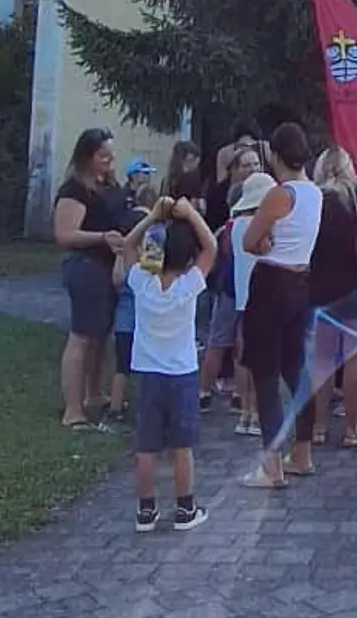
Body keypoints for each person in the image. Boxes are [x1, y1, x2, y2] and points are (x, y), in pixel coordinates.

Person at [115, 195, 214, 532]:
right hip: (181, 373)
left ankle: (146, 510)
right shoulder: (189, 285)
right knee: (181, 446)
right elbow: (211, 247)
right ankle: (185, 508)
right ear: (188, 257)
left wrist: (153, 218)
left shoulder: (142, 282)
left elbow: (127, 246)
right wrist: (191, 214)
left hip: (147, 372)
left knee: (147, 446)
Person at [238, 123, 322, 487]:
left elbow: (250, 240)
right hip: (300, 281)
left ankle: (271, 466)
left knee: (266, 375)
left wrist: (263, 243)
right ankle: (302, 454)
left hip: (270, 282)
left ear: (274, 155)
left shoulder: (279, 194)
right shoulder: (315, 192)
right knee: (296, 369)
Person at [310, 147, 357, 449]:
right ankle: (351, 429)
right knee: (354, 356)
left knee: (322, 358)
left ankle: (318, 427)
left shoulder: (314, 200)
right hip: (351, 284)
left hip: (318, 286)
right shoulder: (356, 198)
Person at [53, 128, 124, 430]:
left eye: (111, 153)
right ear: (87, 156)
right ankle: (72, 410)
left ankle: (93, 393)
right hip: (86, 267)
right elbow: (64, 234)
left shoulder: (108, 184)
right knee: (81, 336)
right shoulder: (74, 190)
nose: (109, 159)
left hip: (108, 267)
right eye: (102, 155)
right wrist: (102, 237)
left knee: (100, 335)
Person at [200, 173, 272, 430]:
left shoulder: (235, 226)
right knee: (261, 360)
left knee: (244, 355)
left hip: (241, 297)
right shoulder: (263, 227)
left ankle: (245, 412)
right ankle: (256, 413)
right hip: (262, 298)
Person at [107, 201, 154, 426]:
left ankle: (115, 408)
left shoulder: (123, 255)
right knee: (146, 368)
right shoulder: (149, 257)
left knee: (122, 367)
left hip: (123, 321)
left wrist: (118, 256)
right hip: (144, 323)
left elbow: (117, 280)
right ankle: (147, 408)